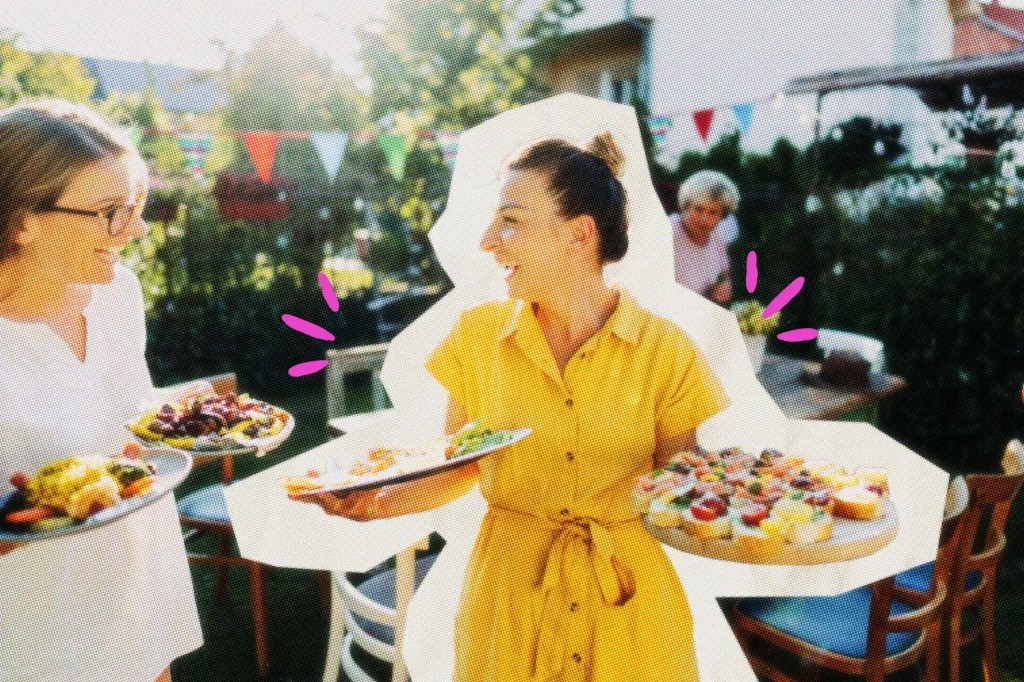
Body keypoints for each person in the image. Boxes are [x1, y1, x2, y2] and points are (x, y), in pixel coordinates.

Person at [300, 131, 729, 680]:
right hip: (508, 602)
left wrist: (734, 494)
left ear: (579, 234)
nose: (487, 239)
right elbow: (458, 465)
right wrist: (377, 500)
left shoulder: (666, 350)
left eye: (510, 220)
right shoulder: (478, 336)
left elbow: (680, 485)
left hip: (629, 610)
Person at [0, 101, 204, 682]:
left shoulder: (118, 293)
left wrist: (190, 423)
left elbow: (117, 410)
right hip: (30, 618)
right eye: (112, 212)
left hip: (137, 576)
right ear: (22, 219)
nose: (136, 230)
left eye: (136, 207)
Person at [670, 170, 740, 306]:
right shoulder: (667, 230)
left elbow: (725, 272)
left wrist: (723, 286)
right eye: (698, 209)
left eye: (713, 212)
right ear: (685, 206)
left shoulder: (717, 234)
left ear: (722, 216)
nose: (704, 219)